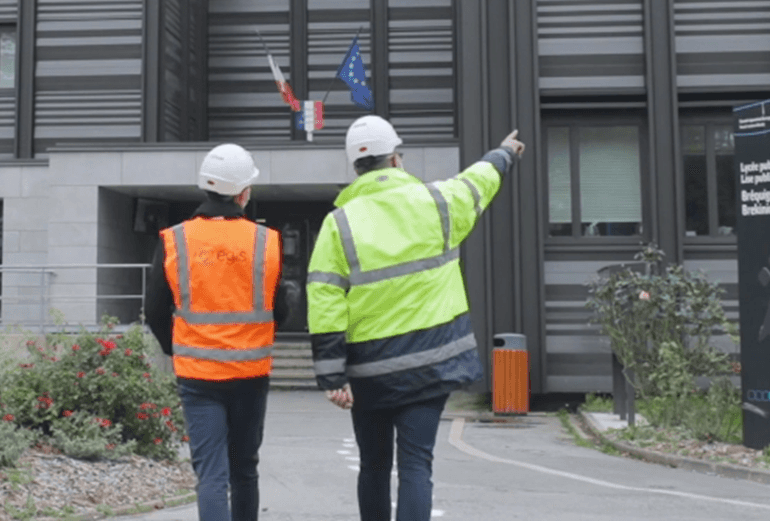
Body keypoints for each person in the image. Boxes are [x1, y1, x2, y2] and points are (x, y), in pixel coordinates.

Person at [307, 115, 524, 521]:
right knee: (415, 466)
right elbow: (479, 181)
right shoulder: (438, 202)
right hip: (430, 367)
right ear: (396, 159)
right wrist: (505, 153)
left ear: (356, 167)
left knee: (373, 466)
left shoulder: (338, 225)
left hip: (370, 371)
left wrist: (332, 375)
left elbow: (325, 298)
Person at [145, 143, 288, 521]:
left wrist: (179, 351)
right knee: (245, 470)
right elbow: (282, 308)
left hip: (198, 376)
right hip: (250, 374)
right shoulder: (266, 241)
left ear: (205, 188)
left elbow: (154, 310)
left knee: (210, 475)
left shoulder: (174, 239)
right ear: (244, 193)